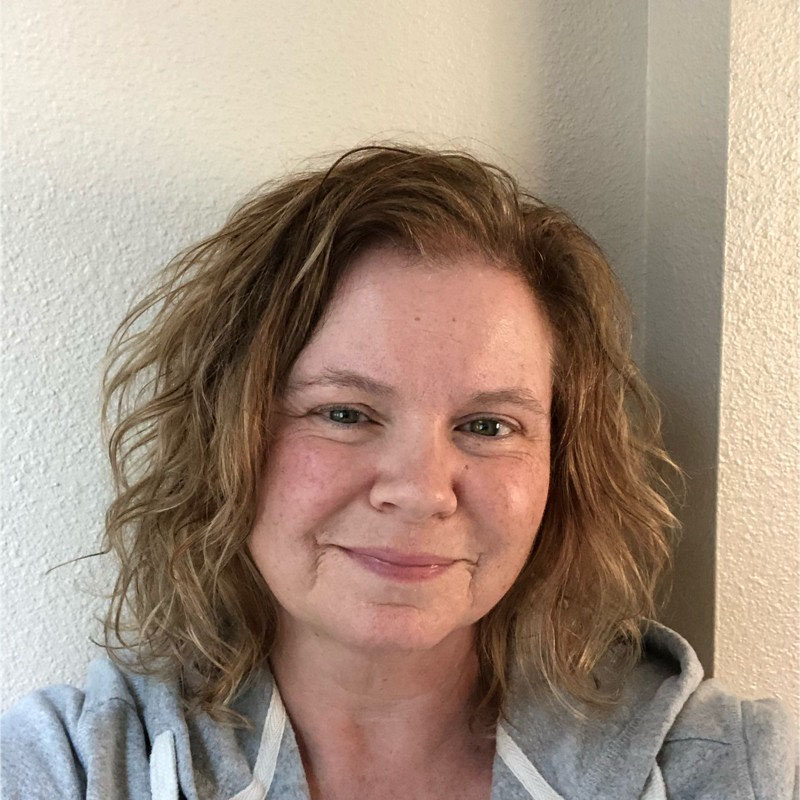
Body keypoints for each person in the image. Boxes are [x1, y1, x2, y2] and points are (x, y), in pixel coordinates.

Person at [1, 145, 796, 800]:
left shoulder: (731, 769)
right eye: (345, 413)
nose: (420, 490)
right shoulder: (70, 770)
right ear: (227, 435)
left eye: (488, 426)